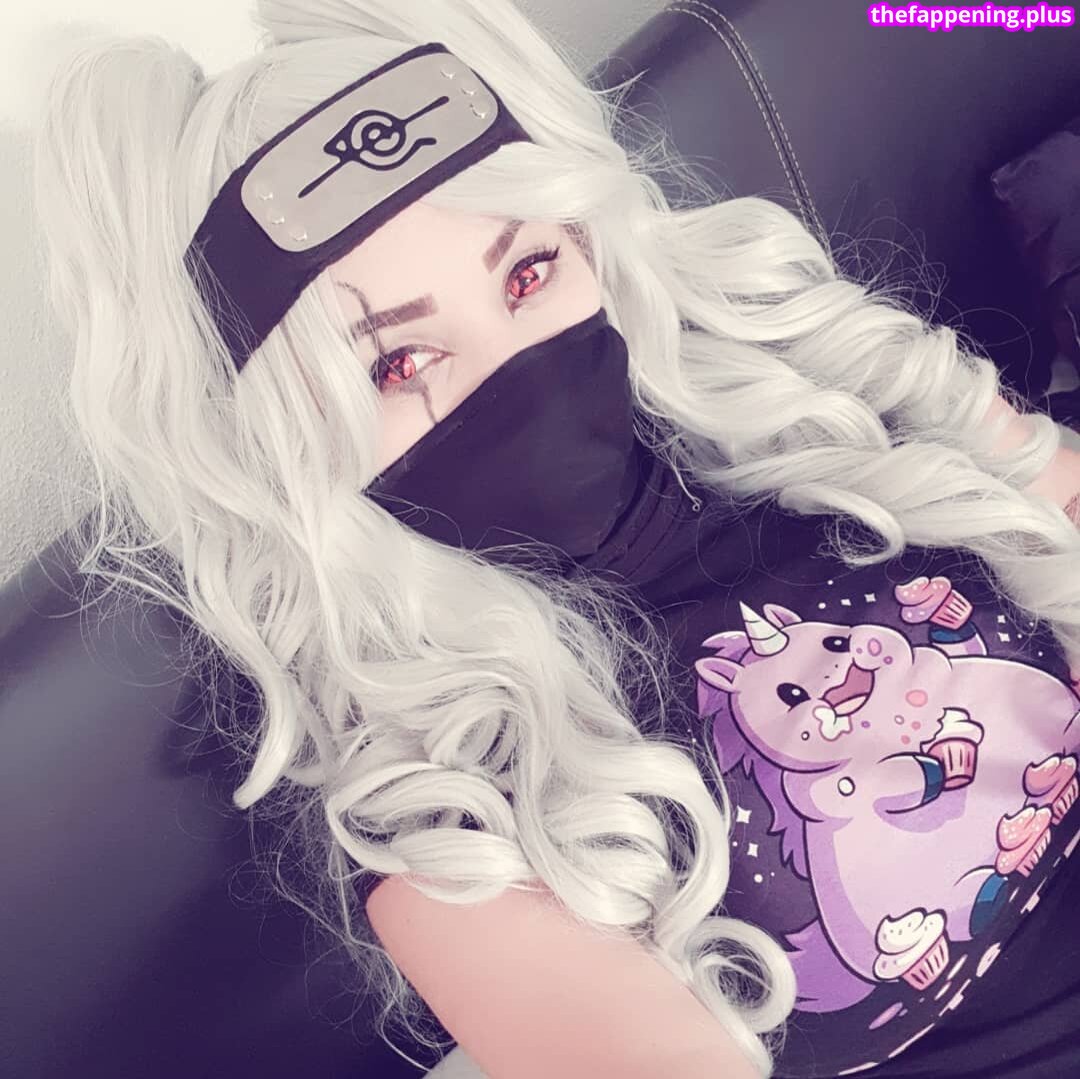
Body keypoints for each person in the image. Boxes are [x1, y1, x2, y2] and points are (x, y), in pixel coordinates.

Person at [31, 1, 1080, 1076]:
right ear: (290, 444)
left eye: (527, 274)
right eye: (398, 363)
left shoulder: (813, 393)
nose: (519, 366)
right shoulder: (456, 827)